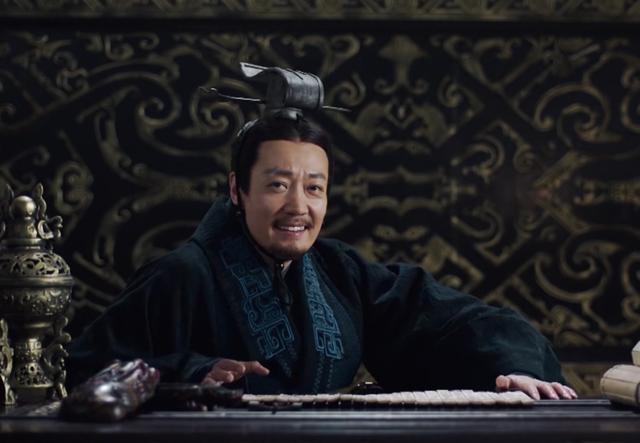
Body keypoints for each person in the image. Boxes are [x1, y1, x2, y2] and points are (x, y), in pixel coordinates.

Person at [67, 115, 577, 400]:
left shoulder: (340, 272)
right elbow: (86, 370)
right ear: (237, 190)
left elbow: (453, 321)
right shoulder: (180, 276)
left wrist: (510, 368)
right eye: (278, 185)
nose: (298, 206)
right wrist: (190, 371)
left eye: (314, 187)